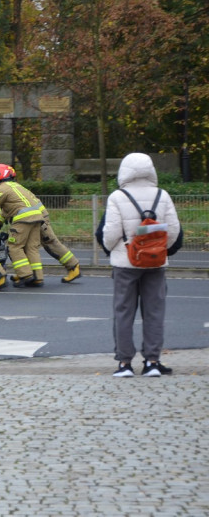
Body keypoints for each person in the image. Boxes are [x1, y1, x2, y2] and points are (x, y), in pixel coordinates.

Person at [96, 152, 182, 378]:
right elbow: (173, 231)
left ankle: (124, 363)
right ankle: (152, 361)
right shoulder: (162, 196)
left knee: (123, 312)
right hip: (155, 263)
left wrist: (113, 248)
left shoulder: (117, 196)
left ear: (124, 171)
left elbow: (110, 232)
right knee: (154, 312)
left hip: (125, 263)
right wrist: (160, 250)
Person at [0, 164, 45, 288]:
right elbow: (6, 209)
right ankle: (38, 278)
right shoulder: (18, 186)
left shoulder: (1, 189)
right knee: (32, 248)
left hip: (22, 219)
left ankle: (25, 275)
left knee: (14, 247)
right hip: (37, 218)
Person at [39, 206, 82, 283]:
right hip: (35, 215)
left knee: (50, 243)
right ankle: (27, 273)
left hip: (36, 216)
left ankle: (73, 267)